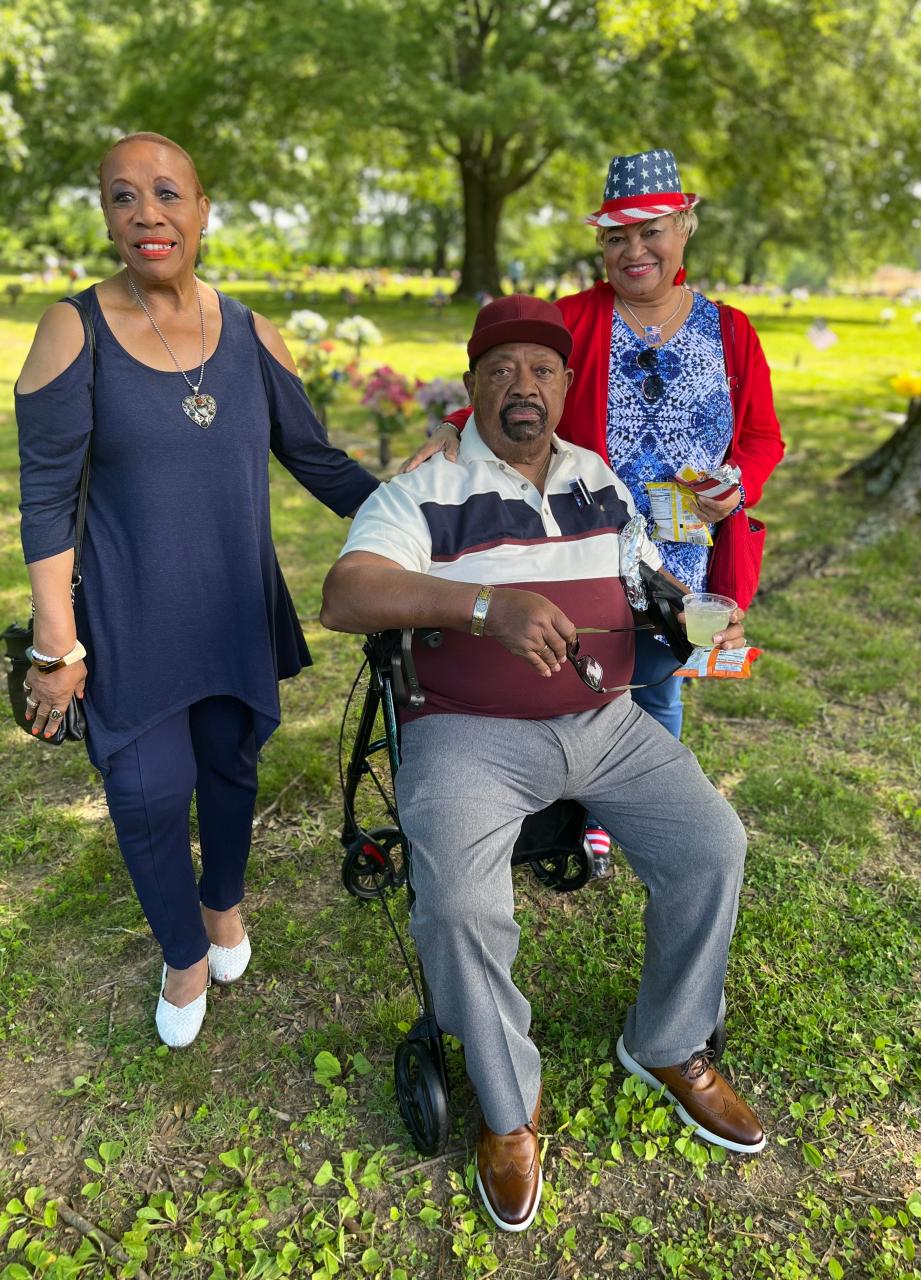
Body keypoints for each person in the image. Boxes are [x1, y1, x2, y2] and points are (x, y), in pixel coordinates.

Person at [321, 296, 766, 1235]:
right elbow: (347, 592)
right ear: (473, 384)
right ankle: (509, 1108)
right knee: (459, 903)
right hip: (467, 728)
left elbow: (644, 575)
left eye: (542, 371)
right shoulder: (426, 488)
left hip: (604, 718)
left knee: (712, 845)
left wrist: (697, 612)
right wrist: (487, 609)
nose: (523, 387)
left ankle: (667, 1042)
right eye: (502, 370)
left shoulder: (597, 478)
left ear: (566, 386)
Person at [15, 132, 378, 1049]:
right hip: (129, 614)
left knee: (228, 766)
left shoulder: (254, 331)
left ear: (204, 209)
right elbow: (47, 497)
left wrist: (428, 500)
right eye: (123, 197)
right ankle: (182, 952)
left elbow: (319, 463)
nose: (147, 214)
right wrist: (55, 643)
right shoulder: (74, 327)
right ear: (106, 216)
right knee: (145, 790)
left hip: (229, 608)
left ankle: (222, 905)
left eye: (167, 193)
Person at [406, 149, 784, 741]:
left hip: (684, 550)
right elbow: (515, 381)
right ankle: (570, 804)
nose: (633, 252)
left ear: (683, 230)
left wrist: (736, 489)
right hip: (584, 538)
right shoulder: (574, 319)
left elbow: (763, 437)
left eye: (650, 232)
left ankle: (628, 804)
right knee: (580, 674)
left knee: (660, 685)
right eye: (615, 238)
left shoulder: (730, 330)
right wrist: (455, 423)